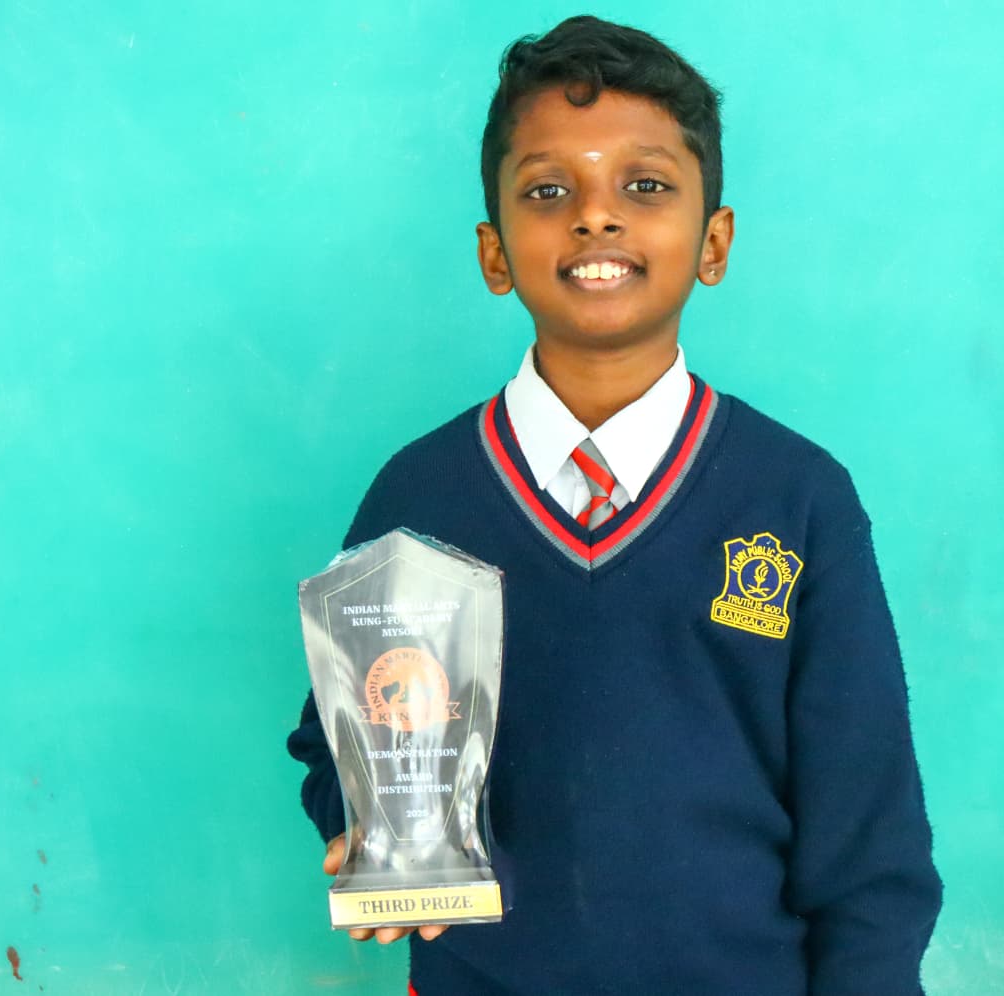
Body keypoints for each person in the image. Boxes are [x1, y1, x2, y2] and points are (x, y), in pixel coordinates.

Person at [288, 14, 942, 994]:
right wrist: (371, 831)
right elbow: (337, 736)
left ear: (714, 242)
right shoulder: (420, 495)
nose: (596, 217)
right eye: (549, 191)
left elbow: (867, 825)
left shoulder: (798, 497)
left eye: (645, 186)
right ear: (495, 253)